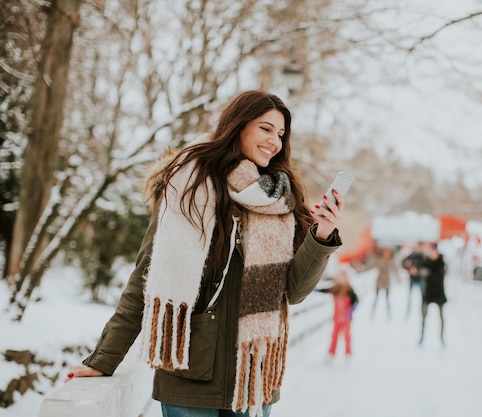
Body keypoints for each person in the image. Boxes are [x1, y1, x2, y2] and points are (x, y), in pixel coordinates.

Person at [65, 90, 346, 417]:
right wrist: (103, 360)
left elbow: (293, 292)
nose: (275, 141)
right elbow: (146, 279)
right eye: (265, 128)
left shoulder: (280, 198)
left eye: (281, 134)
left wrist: (322, 234)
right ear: (238, 126)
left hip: (252, 381)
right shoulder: (189, 186)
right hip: (190, 377)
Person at [317, 266, 359, 358]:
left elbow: (356, 300)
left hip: (346, 318)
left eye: (344, 277)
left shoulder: (349, 291)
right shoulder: (335, 289)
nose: (342, 279)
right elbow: (325, 290)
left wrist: (351, 311)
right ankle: (331, 352)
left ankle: (348, 352)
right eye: (341, 277)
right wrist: (315, 289)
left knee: (347, 335)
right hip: (336, 318)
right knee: (334, 335)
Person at [418, 242, 447, 346]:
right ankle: (422, 336)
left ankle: (442, 337)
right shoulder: (426, 262)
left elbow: (438, 275)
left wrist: (429, 273)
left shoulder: (441, 263)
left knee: (441, 318)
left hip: (439, 293)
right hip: (428, 293)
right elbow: (419, 270)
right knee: (424, 317)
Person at [371, 247, 399, 319]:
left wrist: (398, 278)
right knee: (376, 298)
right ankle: (372, 313)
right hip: (379, 281)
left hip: (387, 282)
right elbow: (371, 266)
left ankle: (389, 315)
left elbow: (395, 270)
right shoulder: (379, 260)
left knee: (387, 299)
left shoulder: (390, 261)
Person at [402, 242, 429, 317]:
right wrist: (409, 268)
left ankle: (422, 311)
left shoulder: (424, 257)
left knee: (423, 296)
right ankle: (408, 312)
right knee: (410, 296)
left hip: (421, 278)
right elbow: (404, 263)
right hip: (412, 278)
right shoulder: (411, 256)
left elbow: (427, 269)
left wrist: (418, 271)